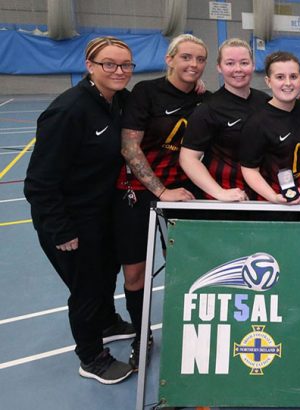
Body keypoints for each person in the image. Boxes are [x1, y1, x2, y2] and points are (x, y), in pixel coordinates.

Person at [24, 36, 136, 384]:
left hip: (102, 213)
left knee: (106, 274)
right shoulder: (68, 110)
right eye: (109, 64)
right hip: (69, 220)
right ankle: (91, 357)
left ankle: (106, 322)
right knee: (86, 288)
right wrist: (61, 230)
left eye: (125, 65)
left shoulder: (119, 101)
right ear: (90, 66)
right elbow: (39, 182)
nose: (119, 71)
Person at [115, 33, 209, 369]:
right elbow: (130, 148)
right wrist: (160, 191)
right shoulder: (145, 93)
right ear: (169, 59)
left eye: (200, 59)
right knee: (135, 273)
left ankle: (188, 330)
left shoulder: (204, 99)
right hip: (139, 194)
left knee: (186, 268)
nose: (193, 65)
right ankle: (143, 334)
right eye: (186, 57)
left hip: (184, 194)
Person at [179, 38, 269, 206]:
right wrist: (219, 192)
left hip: (265, 197)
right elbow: (188, 158)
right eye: (230, 63)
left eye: (244, 62)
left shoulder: (265, 102)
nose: (238, 69)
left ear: (253, 65)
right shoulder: (208, 108)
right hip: (229, 200)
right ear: (219, 67)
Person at [240, 51, 300, 220]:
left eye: (293, 77)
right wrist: (273, 197)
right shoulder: (257, 122)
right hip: (274, 209)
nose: (288, 83)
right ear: (268, 81)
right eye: (280, 77)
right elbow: (249, 169)